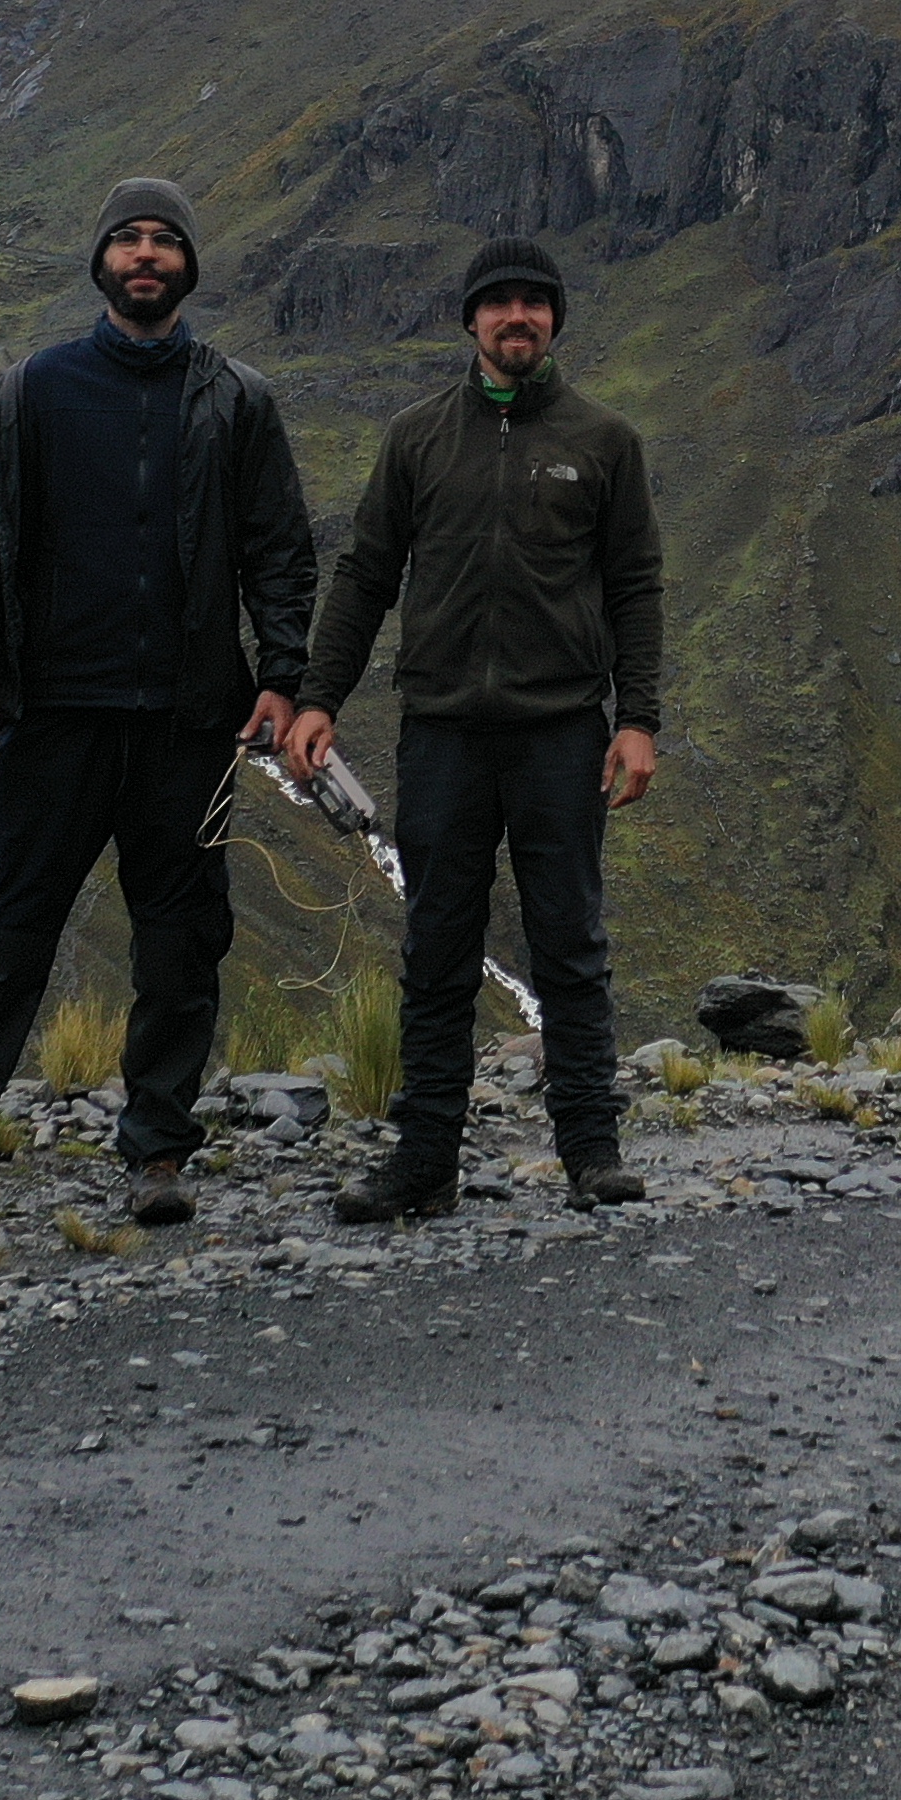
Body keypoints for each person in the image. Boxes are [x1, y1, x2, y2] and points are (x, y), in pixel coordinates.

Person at [0, 179, 313, 1225]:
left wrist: (280, 676)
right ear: (103, 263)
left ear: (189, 266)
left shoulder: (239, 400)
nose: (148, 255)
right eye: (129, 239)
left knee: (180, 941)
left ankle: (157, 1152)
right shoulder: (30, 389)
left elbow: (280, 553)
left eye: (167, 240)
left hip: (188, 722)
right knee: (2, 929)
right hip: (53, 716)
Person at [279, 234, 663, 1221]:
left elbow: (634, 590)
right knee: (438, 949)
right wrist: (320, 697)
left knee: (569, 943)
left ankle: (591, 1154)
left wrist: (639, 722)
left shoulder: (604, 441)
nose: (517, 317)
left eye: (535, 302)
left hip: (563, 734)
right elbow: (366, 574)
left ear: (555, 319)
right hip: (442, 732)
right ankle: (423, 1167)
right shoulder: (415, 439)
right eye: (500, 304)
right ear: (471, 322)